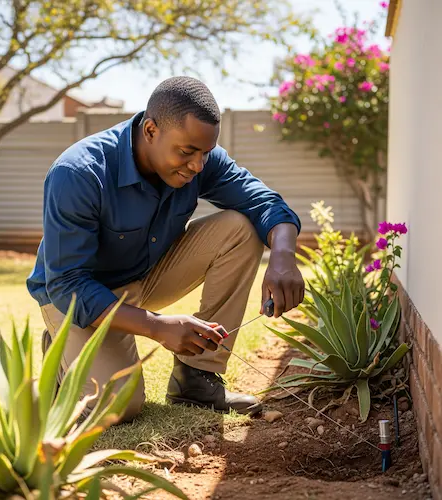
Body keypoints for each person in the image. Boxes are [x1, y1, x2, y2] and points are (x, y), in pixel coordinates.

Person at [27, 76, 305, 422]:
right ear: (151, 130)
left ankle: (196, 381)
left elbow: (262, 201)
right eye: (187, 152)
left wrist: (282, 256)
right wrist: (158, 327)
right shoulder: (79, 173)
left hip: (147, 275)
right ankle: (61, 353)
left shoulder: (199, 159)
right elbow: (67, 285)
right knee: (117, 408)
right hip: (79, 298)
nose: (198, 166)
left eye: (205, 153)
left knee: (241, 227)